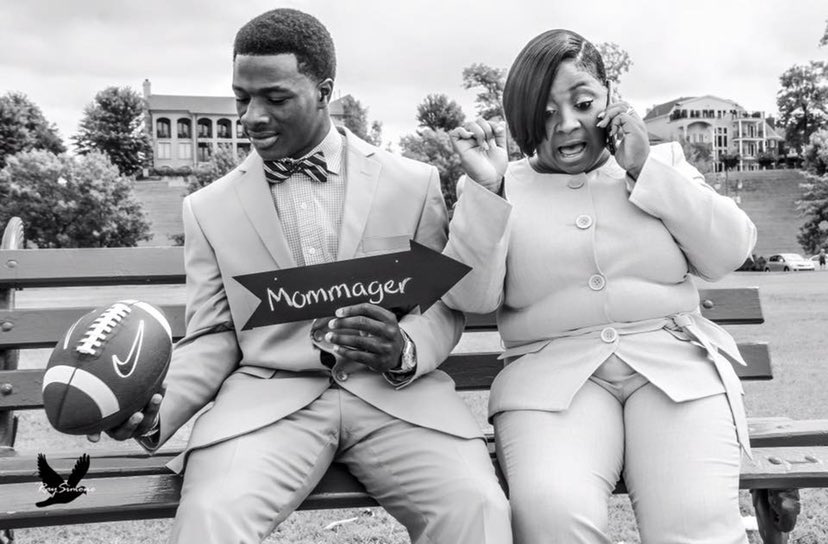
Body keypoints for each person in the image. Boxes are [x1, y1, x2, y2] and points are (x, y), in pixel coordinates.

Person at [90, 9, 510, 544]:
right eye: (242, 98)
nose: (252, 117)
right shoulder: (208, 209)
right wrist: (157, 406)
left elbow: (441, 304)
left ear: (324, 91)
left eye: (275, 98)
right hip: (267, 407)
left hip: (396, 399)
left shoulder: (413, 183)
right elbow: (213, 334)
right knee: (209, 519)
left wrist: (404, 348)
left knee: (477, 509)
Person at [442, 29, 757, 543]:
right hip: (551, 384)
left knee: (695, 519)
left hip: (675, 371)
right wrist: (487, 190)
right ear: (521, 117)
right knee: (552, 515)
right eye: (545, 112)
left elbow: (729, 251)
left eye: (583, 103)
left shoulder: (659, 164)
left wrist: (644, 167)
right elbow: (472, 297)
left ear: (610, 98)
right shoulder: (498, 182)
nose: (567, 124)